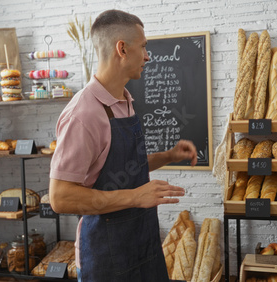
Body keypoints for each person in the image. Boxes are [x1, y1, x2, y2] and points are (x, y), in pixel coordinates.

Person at [49, 9, 198, 282]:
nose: (147, 56)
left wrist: (168, 156)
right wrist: (136, 196)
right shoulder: (83, 115)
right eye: (143, 47)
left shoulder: (124, 100)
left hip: (141, 244)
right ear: (122, 49)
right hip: (105, 256)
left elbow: (124, 166)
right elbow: (60, 197)